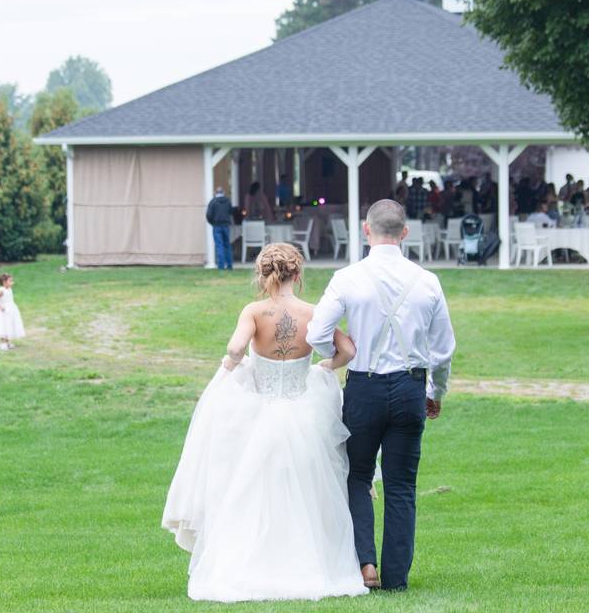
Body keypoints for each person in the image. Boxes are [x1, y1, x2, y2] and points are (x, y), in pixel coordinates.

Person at [162, 243, 368, 602]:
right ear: (297, 274)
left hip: (261, 415)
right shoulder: (312, 312)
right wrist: (325, 367)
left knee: (251, 491)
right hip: (304, 414)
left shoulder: (255, 311)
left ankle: (250, 567)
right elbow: (348, 350)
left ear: (262, 274)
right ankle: (310, 566)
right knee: (309, 492)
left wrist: (233, 366)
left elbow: (235, 348)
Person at [307, 200, 456, 592]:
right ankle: (396, 578)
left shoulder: (347, 277)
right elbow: (443, 350)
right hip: (410, 387)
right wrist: (435, 392)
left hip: (364, 386)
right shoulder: (427, 281)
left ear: (365, 230)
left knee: (357, 477)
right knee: (402, 485)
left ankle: (365, 565)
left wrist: (340, 355)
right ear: (405, 233)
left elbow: (317, 332)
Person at [0, 273, 25, 351]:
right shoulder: (2, 290)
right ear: (4, 282)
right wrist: (0, 307)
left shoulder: (9, 289)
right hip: (4, 311)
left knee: (9, 324)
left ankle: (8, 342)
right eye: (10, 281)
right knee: (3, 325)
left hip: (11, 310)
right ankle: (2, 343)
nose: (12, 282)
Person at [206, 186, 234, 270]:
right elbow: (231, 212)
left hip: (217, 226)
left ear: (215, 193)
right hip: (226, 226)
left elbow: (208, 215)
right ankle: (229, 265)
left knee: (219, 246)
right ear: (223, 193)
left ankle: (221, 266)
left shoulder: (213, 202)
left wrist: (213, 222)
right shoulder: (228, 201)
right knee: (227, 245)